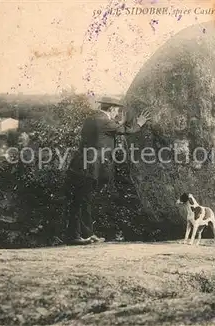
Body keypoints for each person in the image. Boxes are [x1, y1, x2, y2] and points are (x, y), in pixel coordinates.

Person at [63, 97, 151, 245]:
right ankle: (75, 236)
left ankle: (87, 234)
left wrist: (120, 121)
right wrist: (139, 123)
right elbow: (125, 130)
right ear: (111, 109)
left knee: (83, 200)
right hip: (91, 166)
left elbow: (110, 129)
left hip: (80, 164)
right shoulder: (105, 121)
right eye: (117, 110)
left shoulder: (91, 119)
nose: (117, 113)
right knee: (81, 201)